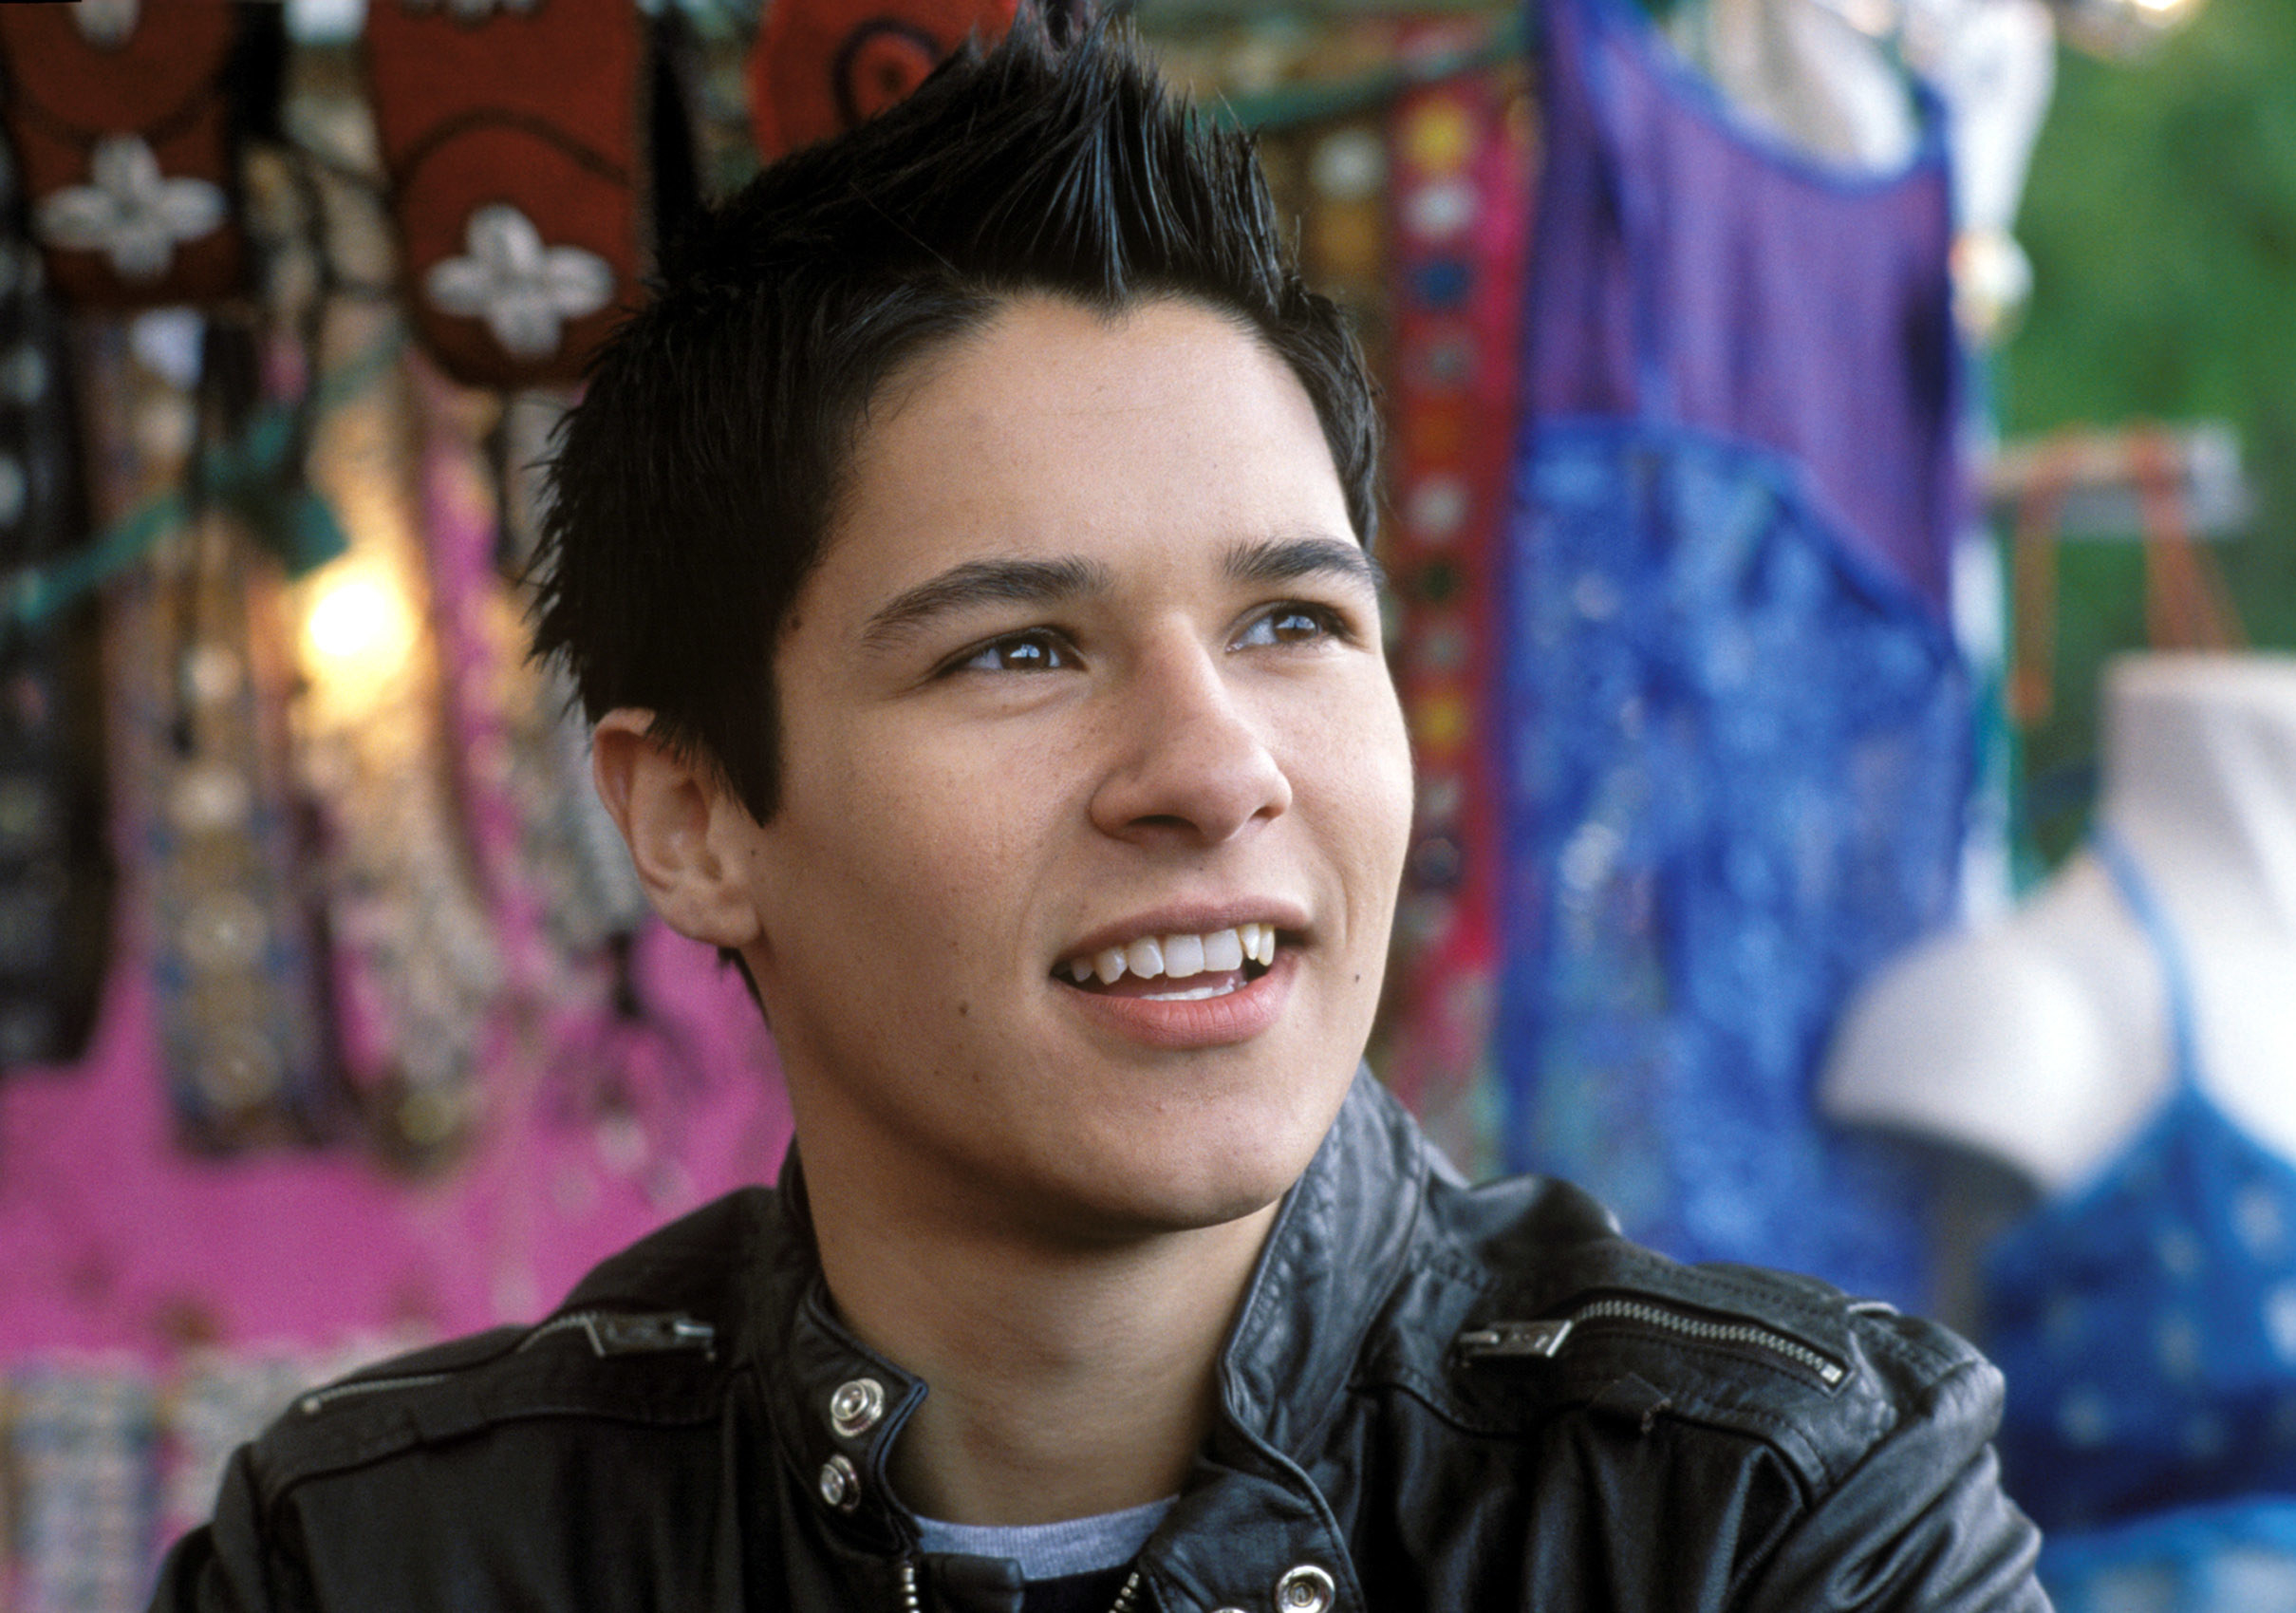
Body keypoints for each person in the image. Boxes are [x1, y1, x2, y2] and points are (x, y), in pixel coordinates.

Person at [151, 12, 2045, 1611]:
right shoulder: (385, 1558)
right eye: (1018, 653)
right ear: (696, 818)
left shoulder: (1771, 1521)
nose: (1219, 766)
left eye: (1295, 621)